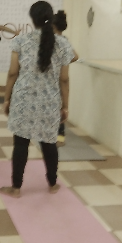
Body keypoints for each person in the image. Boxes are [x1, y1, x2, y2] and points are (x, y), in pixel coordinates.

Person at [0, 1, 72, 198]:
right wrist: (65, 106)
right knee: (49, 143)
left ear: (32, 19)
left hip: (23, 100)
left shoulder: (21, 41)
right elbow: (64, 79)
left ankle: (16, 188)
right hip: (50, 102)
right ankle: (53, 184)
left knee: (20, 144)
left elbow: (12, 73)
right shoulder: (63, 44)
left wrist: (6, 99)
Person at [52, 10, 79, 147]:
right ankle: (60, 136)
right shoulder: (65, 40)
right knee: (61, 107)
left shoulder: (51, 40)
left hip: (51, 79)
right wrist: (63, 63)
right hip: (61, 78)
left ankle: (51, 134)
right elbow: (75, 56)